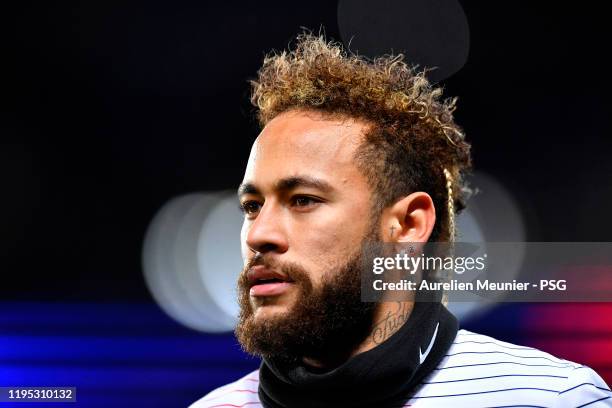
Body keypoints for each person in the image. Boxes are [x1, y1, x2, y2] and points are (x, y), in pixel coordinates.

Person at [190, 33, 611, 408]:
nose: (259, 234)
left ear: (408, 226)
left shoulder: (553, 398)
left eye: (302, 200)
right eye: (252, 206)